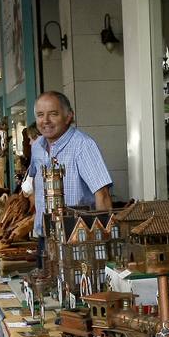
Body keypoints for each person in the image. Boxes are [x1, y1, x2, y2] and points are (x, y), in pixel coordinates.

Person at [27, 90, 112, 238]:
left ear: (68, 116)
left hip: (76, 238)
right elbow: (35, 183)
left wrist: (104, 240)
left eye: (53, 114)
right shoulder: (37, 147)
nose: (45, 120)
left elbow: (102, 195)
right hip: (44, 237)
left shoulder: (83, 146)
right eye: (40, 115)